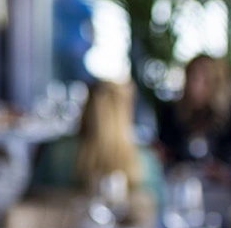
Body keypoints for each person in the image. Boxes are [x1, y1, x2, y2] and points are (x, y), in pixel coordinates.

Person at [29, 80, 164, 202]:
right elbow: (160, 211)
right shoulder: (145, 160)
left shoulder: (57, 151)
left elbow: (31, 197)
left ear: (87, 107)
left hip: (58, 227)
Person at [156, 54, 231, 167]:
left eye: (204, 81)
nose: (195, 86)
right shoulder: (171, 114)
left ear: (216, 84)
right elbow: (164, 152)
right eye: (192, 78)